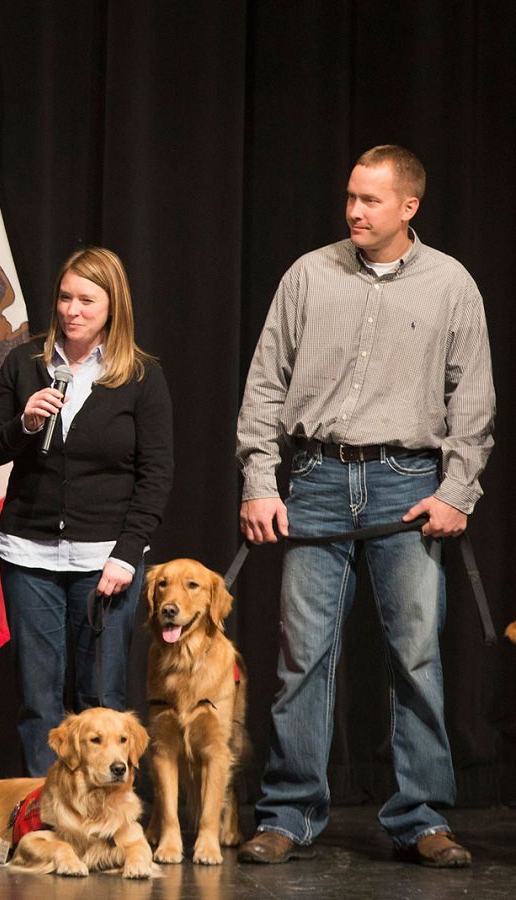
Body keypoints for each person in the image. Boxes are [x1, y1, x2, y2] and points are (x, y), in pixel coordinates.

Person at [235, 145, 493, 868]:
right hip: (316, 478)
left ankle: (421, 817)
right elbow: (263, 386)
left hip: (407, 484)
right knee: (301, 659)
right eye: (350, 196)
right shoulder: (309, 275)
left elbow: (472, 400)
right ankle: (289, 813)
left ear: (409, 206)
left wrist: (456, 490)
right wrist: (259, 481)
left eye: (370, 200)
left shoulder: (450, 284)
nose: (354, 210)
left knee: (415, 656)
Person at [0, 246, 174, 776]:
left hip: (104, 562)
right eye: (65, 298)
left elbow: (155, 476)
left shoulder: (140, 376)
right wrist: (25, 424)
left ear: (114, 306)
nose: (72, 310)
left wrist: (127, 555)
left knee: (102, 698)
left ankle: (102, 824)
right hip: (28, 555)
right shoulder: (25, 363)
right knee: (39, 700)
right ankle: (43, 820)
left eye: (87, 299)